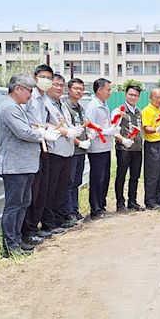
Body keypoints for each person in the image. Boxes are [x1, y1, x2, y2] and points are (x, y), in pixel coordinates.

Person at [0, 74, 60, 257]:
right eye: (29, 90)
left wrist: (40, 130)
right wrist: (43, 134)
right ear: (18, 88)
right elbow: (24, 132)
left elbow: (31, 127)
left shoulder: (18, 107)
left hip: (25, 165)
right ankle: (10, 246)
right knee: (14, 206)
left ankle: (18, 240)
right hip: (15, 167)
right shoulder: (9, 108)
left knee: (24, 203)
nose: (31, 95)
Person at [21, 64, 64, 240]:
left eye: (49, 78)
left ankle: (35, 227)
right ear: (35, 76)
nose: (46, 81)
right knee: (33, 191)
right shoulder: (30, 98)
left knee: (42, 190)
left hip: (43, 147)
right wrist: (43, 130)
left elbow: (40, 122)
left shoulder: (42, 98)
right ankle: (28, 231)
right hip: (33, 148)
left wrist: (50, 128)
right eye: (43, 77)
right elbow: (27, 124)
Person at [41, 74, 82, 233]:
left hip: (67, 152)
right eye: (55, 84)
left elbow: (67, 123)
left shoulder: (62, 105)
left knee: (61, 188)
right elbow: (42, 124)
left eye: (61, 85)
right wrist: (65, 131)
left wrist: (73, 130)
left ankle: (59, 219)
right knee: (50, 189)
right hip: (53, 152)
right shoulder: (45, 104)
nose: (59, 88)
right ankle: (48, 222)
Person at [85, 78, 120, 219]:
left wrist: (111, 129)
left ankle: (102, 205)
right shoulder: (92, 106)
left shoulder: (104, 104)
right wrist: (107, 132)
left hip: (105, 147)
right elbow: (90, 126)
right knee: (97, 179)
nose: (110, 92)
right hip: (96, 148)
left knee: (105, 178)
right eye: (108, 89)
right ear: (99, 90)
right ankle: (95, 209)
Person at [112, 85, 144, 213]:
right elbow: (113, 130)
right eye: (130, 94)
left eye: (135, 95)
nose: (133, 97)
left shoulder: (139, 112)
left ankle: (132, 201)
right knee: (121, 176)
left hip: (137, 148)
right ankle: (120, 203)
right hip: (123, 149)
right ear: (126, 95)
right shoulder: (119, 111)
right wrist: (123, 140)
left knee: (135, 176)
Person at [64, 78, 91, 221]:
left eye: (81, 89)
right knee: (69, 183)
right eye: (76, 88)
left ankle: (74, 209)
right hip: (71, 150)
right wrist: (79, 142)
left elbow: (83, 126)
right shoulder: (65, 107)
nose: (79, 91)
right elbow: (67, 130)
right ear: (69, 89)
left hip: (81, 151)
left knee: (77, 181)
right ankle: (68, 212)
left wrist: (88, 137)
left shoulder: (80, 108)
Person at [142, 88, 160, 209]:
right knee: (152, 174)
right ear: (151, 98)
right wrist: (157, 129)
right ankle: (150, 200)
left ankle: (159, 198)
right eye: (156, 97)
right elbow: (146, 128)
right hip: (153, 144)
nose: (159, 100)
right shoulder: (147, 110)